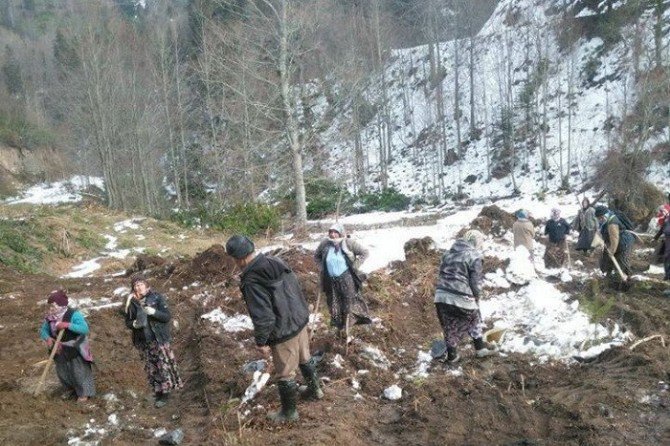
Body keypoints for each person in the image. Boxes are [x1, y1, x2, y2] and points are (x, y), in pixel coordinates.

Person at [226, 235, 323, 423]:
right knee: (305, 356)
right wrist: (303, 312)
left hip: (283, 330)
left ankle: (289, 413)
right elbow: (296, 288)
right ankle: (315, 389)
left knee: (285, 372)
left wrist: (261, 341)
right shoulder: (276, 261)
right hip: (299, 319)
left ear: (238, 258)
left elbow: (263, 315)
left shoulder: (251, 280)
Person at [433, 230, 497, 363]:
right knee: (474, 318)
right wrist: (476, 299)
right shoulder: (474, 256)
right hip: (460, 295)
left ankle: (452, 356)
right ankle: (480, 349)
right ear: (475, 241)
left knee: (449, 325)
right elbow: (474, 283)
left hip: (440, 297)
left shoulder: (448, 254)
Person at [124, 275, 183, 408]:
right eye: (136, 285)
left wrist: (154, 312)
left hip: (158, 338)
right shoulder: (131, 302)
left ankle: (166, 392)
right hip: (144, 341)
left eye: (141, 284)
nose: (139, 287)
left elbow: (167, 316)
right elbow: (127, 321)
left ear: (146, 285)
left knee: (162, 366)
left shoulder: (156, 297)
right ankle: (158, 391)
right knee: (151, 368)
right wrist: (133, 324)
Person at [314, 223, 372, 335]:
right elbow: (316, 256)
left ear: (341, 233)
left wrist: (355, 265)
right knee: (334, 303)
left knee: (348, 303)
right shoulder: (325, 244)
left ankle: (347, 328)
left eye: (335, 232)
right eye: (331, 232)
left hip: (346, 278)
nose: (333, 234)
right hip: (330, 280)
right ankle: (338, 327)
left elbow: (365, 252)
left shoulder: (348, 243)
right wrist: (322, 267)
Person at [39, 290, 95, 402]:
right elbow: (43, 331)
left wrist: (68, 325)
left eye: (53, 306)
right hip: (58, 348)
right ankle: (70, 389)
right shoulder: (50, 318)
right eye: (49, 306)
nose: (51, 309)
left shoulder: (74, 315)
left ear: (61, 305)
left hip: (74, 347)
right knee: (63, 372)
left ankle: (84, 393)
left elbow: (84, 329)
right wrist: (48, 338)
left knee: (78, 371)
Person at [595, 205, 634, 281]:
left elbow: (614, 238)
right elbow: (600, 234)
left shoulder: (612, 222)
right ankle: (608, 276)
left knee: (621, 261)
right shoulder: (604, 222)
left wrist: (612, 251)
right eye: (598, 218)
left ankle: (626, 279)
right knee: (606, 259)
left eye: (600, 218)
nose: (599, 220)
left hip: (623, 242)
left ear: (603, 216)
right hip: (612, 242)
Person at [653, 193, 670, 280]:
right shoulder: (667, 217)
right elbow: (663, 228)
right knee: (666, 257)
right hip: (667, 239)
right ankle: (667, 275)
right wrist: (655, 237)